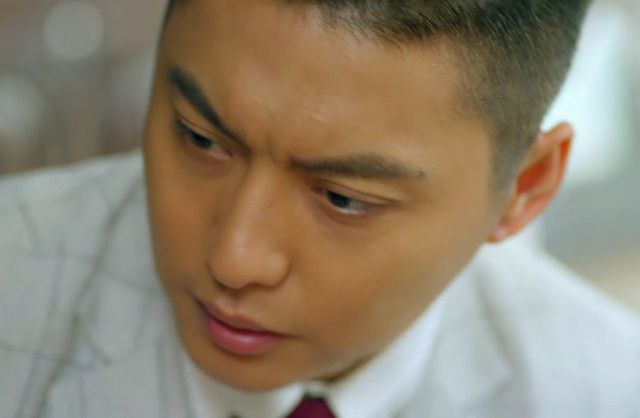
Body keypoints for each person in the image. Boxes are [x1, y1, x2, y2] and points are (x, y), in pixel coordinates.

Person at [1, 0, 639, 417]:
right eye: (200, 139)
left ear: (525, 186)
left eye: (343, 199)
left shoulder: (604, 391)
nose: (233, 259)